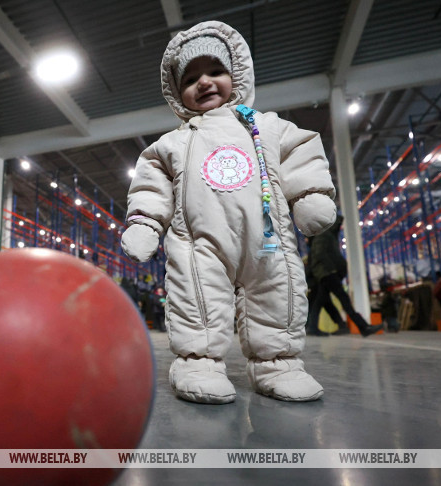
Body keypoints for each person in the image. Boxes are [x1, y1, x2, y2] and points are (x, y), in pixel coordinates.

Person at [121, 21, 338, 404]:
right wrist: (146, 221)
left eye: (216, 71)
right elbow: (151, 183)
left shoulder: (267, 127)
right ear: (176, 92)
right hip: (199, 245)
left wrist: (310, 194)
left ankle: (278, 364)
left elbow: (301, 152)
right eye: (191, 78)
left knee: (278, 296)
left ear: (236, 75)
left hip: (267, 239)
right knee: (196, 300)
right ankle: (197, 363)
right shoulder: (172, 143)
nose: (204, 82)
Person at [307, 215, 383, 338]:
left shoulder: (327, 236)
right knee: (343, 300)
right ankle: (363, 327)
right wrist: (333, 269)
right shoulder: (324, 236)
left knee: (320, 302)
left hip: (326, 274)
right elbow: (320, 255)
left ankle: (314, 327)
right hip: (328, 274)